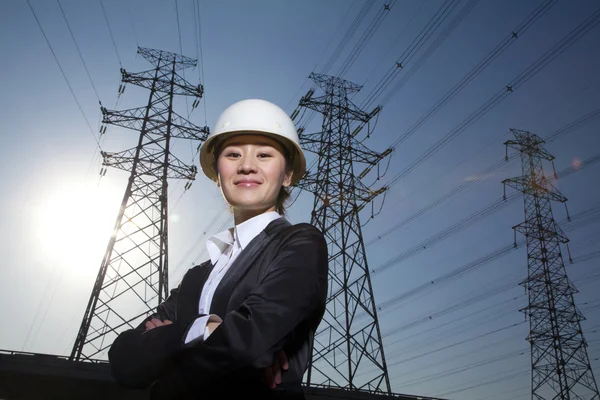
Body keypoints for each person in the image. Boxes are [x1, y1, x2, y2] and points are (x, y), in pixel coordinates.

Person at [108, 99, 329, 399]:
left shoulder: (301, 244)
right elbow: (124, 360)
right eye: (233, 154)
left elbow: (249, 345)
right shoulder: (195, 278)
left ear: (287, 174)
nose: (247, 165)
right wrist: (201, 329)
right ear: (217, 174)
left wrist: (167, 355)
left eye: (264, 154)